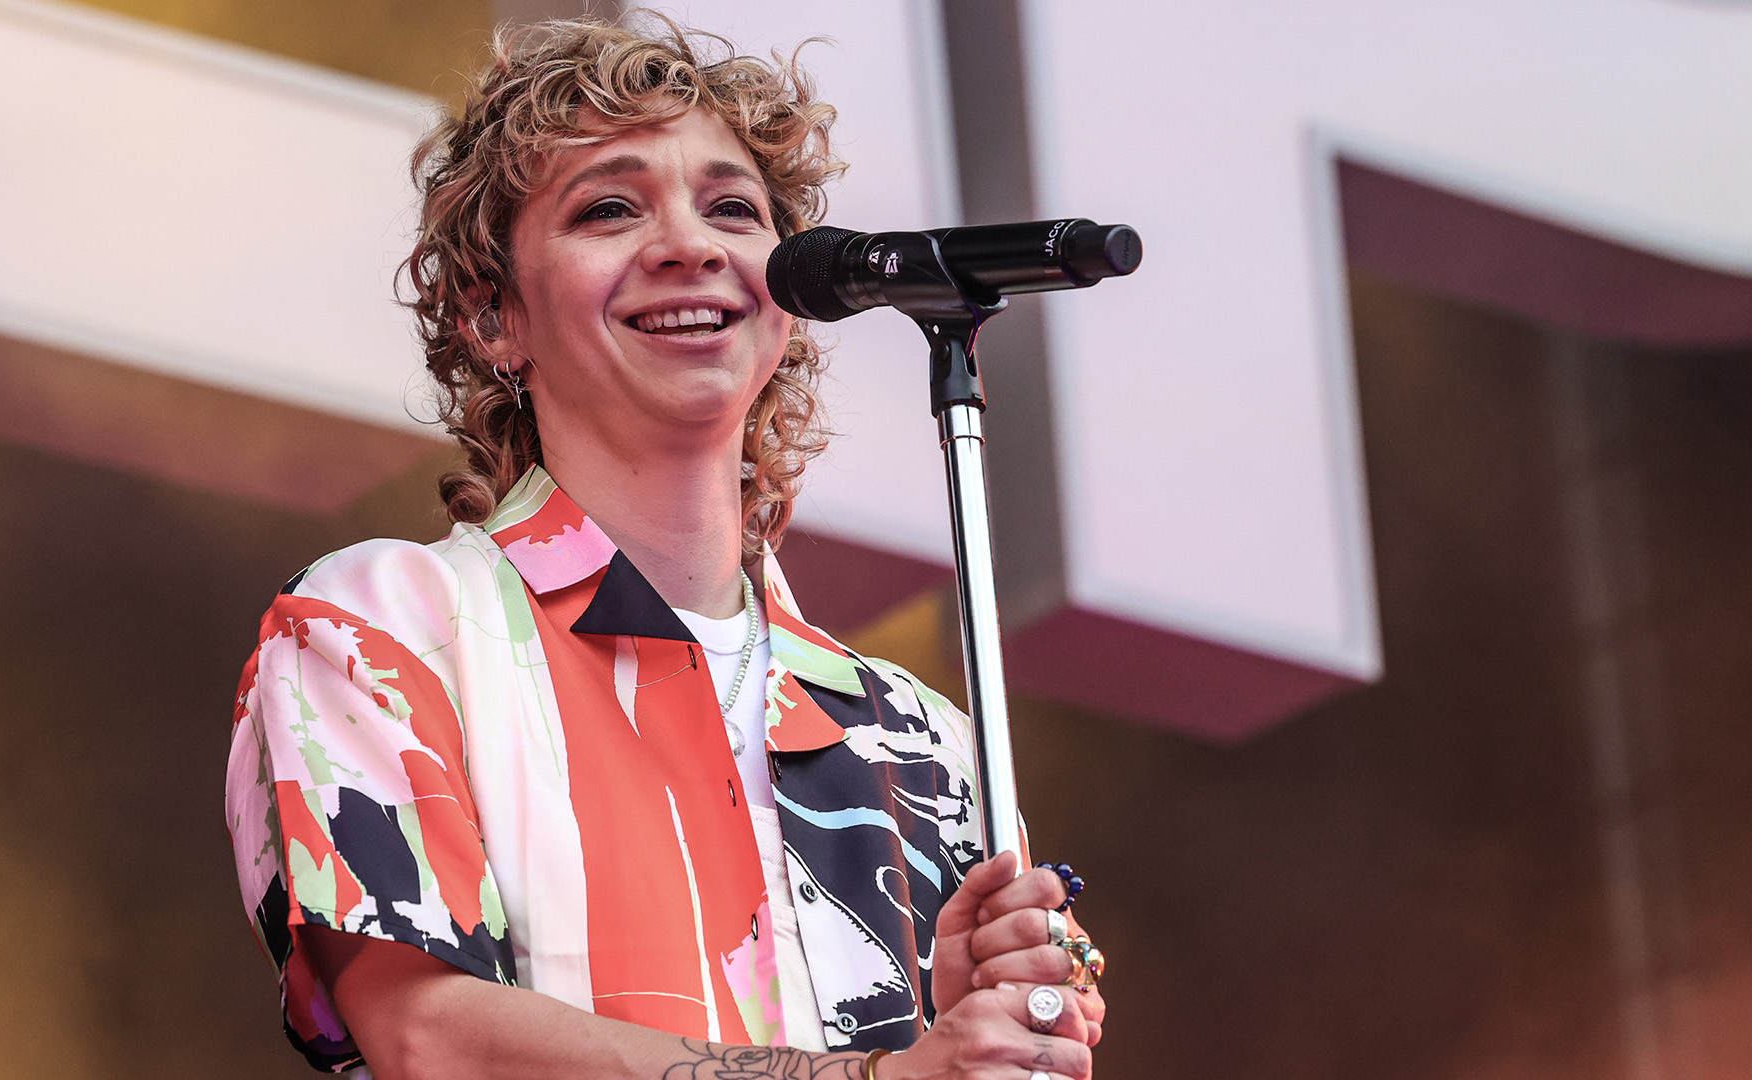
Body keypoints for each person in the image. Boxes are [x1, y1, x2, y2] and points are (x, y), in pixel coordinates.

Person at [225, 16, 1107, 1080]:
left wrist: (988, 1036)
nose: (692, 244)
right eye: (608, 208)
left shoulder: (920, 740)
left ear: (788, 301)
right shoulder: (382, 628)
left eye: (733, 208)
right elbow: (428, 1038)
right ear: (491, 313)